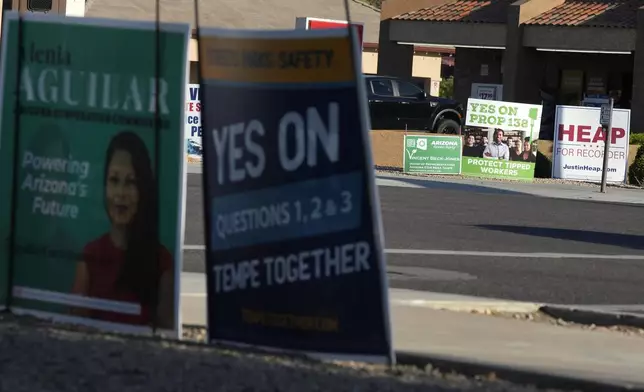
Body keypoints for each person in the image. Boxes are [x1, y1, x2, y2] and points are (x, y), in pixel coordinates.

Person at [71, 131, 175, 329]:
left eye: (131, 182)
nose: (120, 193)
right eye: (114, 180)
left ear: (143, 190)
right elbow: (73, 329)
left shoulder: (162, 262)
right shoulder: (90, 256)